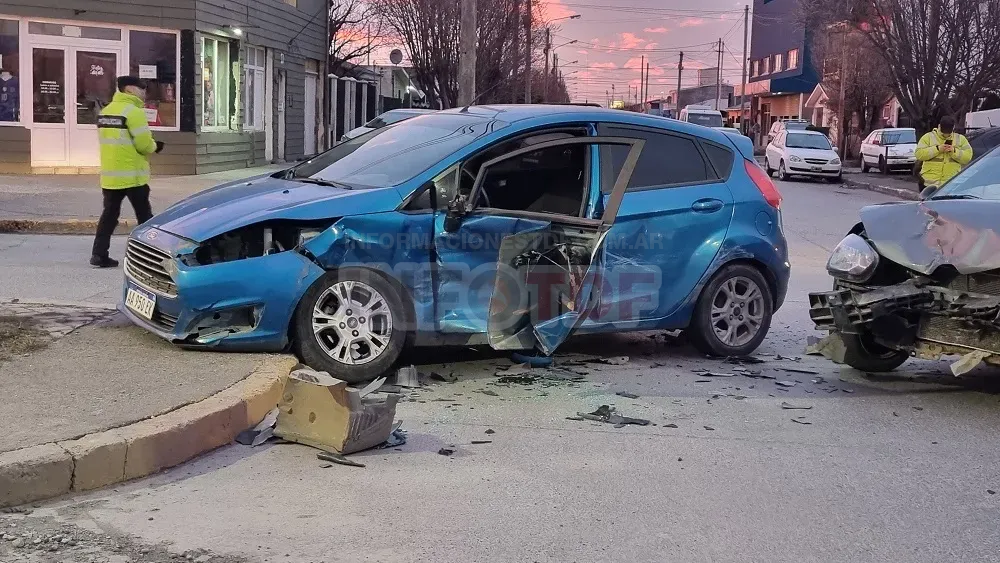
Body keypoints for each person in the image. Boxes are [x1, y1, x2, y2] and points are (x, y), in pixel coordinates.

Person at [90, 76, 163, 268]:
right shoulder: (134, 112)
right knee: (145, 218)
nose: (144, 92)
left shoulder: (106, 111)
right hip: (133, 176)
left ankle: (98, 254)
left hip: (111, 176)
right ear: (129, 89)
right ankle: (151, 258)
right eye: (141, 88)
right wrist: (156, 146)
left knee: (109, 216)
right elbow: (144, 145)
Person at [914, 115, 972, 191]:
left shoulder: (960, 139)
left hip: (950, 184)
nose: (946, 135)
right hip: (928, 183)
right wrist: (937, 149)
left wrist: (954, 151)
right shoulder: (928, 137)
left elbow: (967, 157)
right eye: (943, 132)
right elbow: (919, 154)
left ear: (953, 128)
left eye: (948, 133)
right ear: (939, 126)